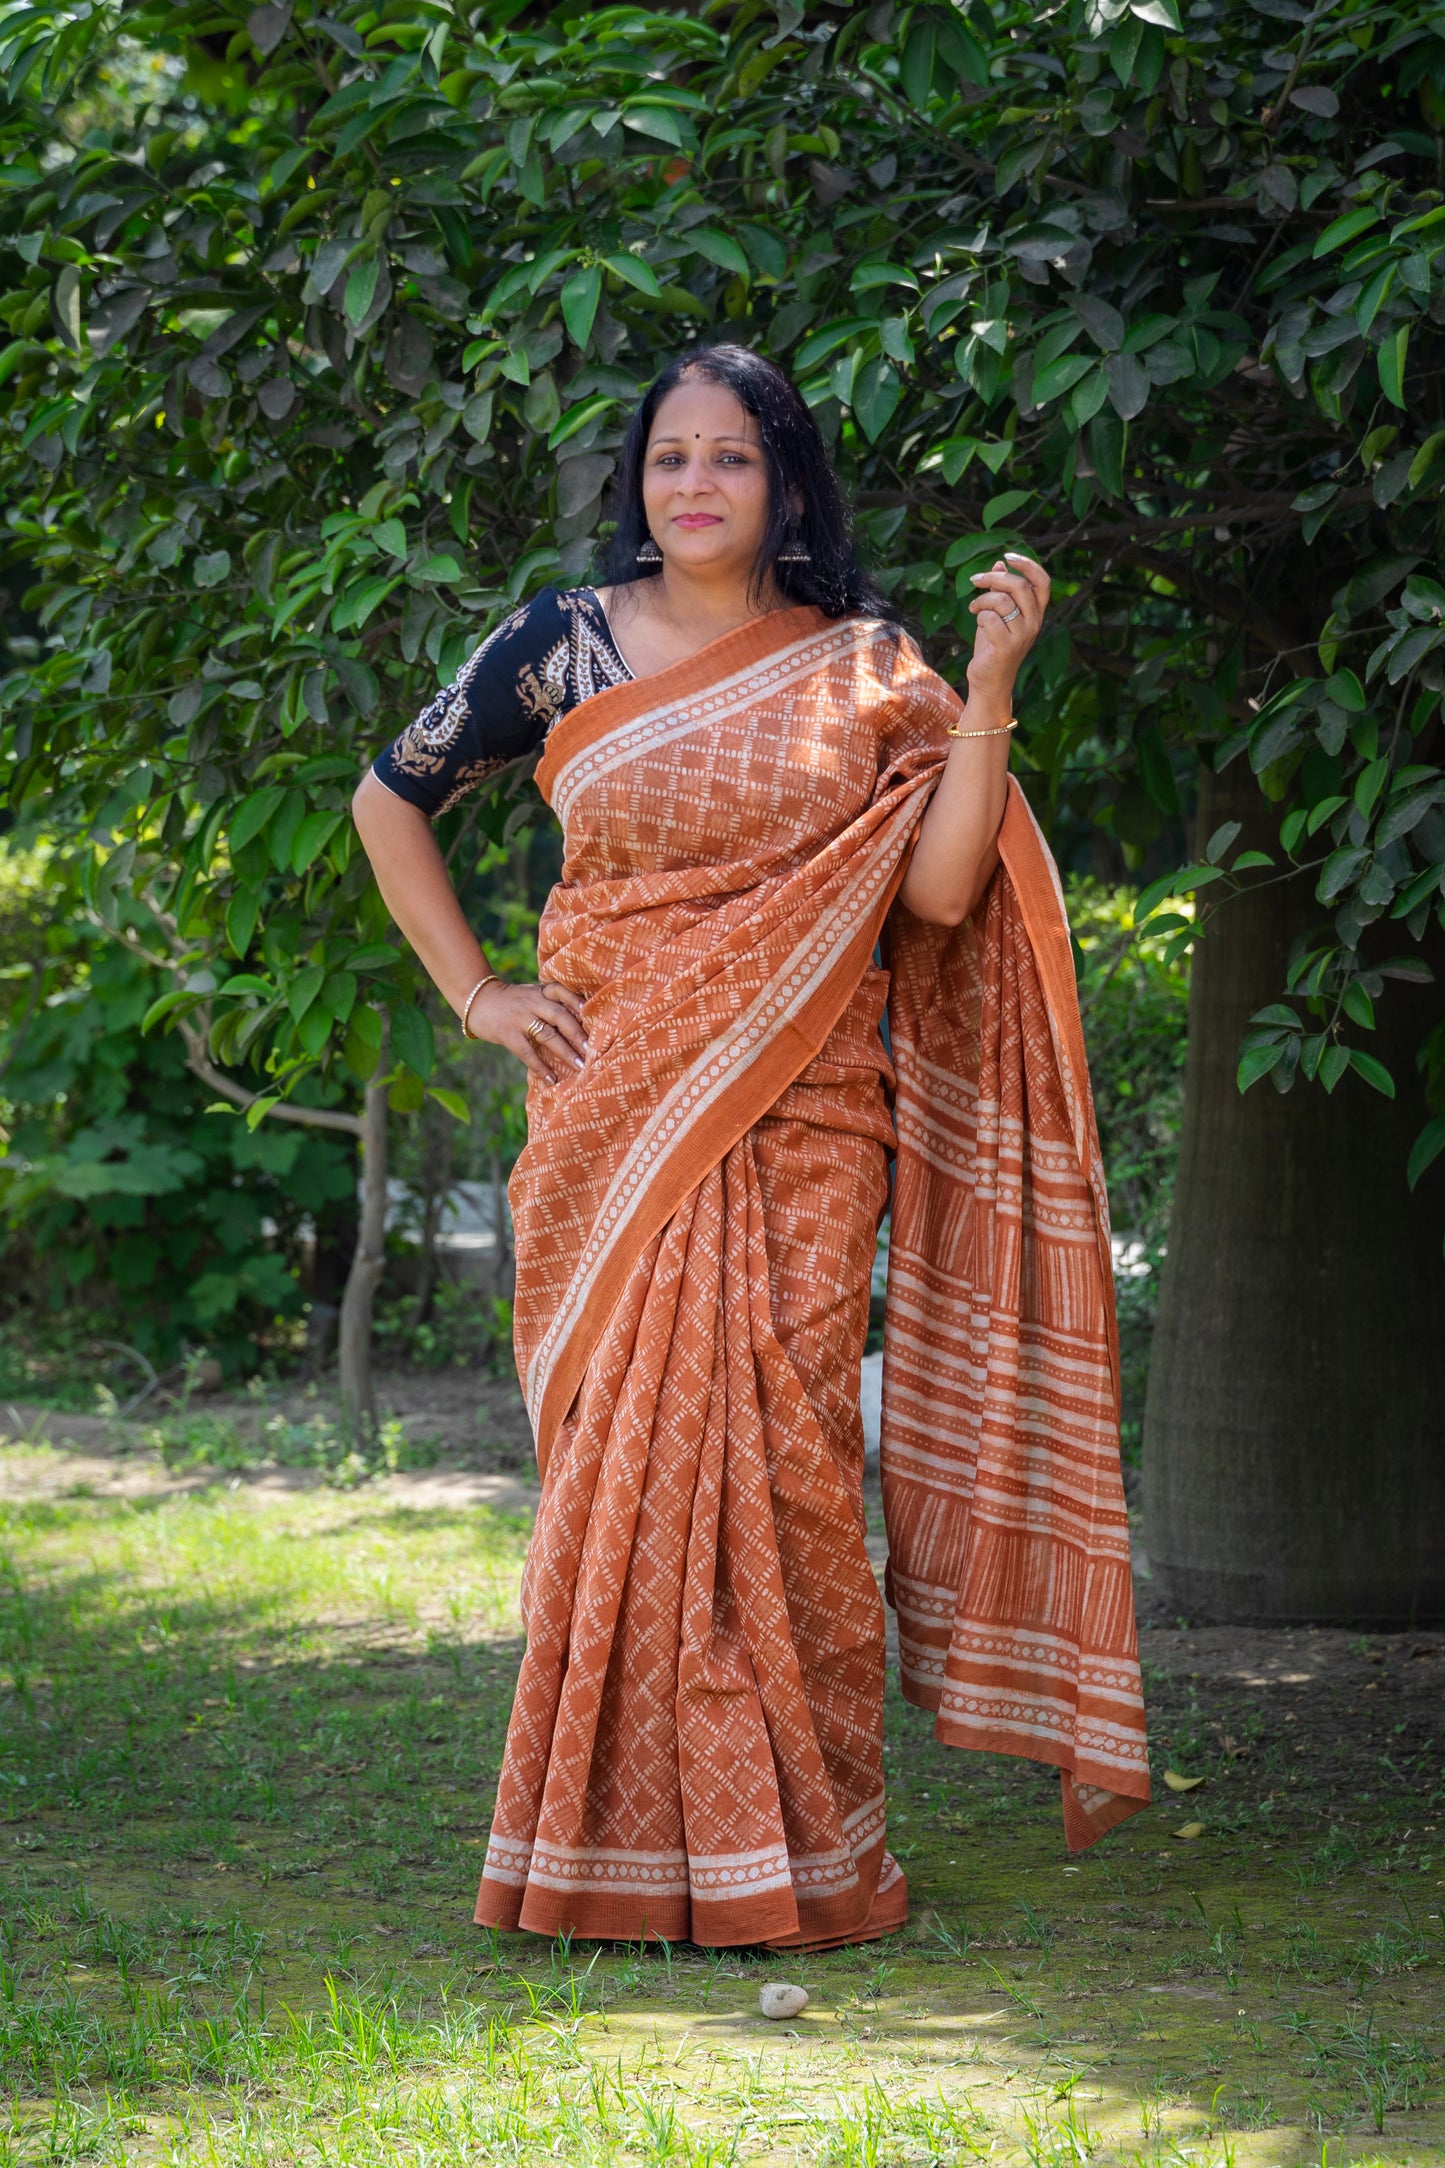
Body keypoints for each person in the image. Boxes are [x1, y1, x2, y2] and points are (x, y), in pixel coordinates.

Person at [353, 345, 1149, 1952]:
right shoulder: (557, 643)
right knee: (619, 1463)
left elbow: (934, 897)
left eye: (728, 458)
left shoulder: (865, 667)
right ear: (637, 485)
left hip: (806, 1113)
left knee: (783, 1459)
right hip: (612, 1103)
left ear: (783, 481)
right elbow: (391, 798)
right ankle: (599, 1848)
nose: (693, 486)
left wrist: (984, 699)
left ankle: (793, 1840)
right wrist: (479, 991)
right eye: (667, 460)